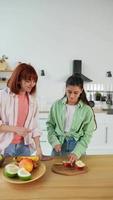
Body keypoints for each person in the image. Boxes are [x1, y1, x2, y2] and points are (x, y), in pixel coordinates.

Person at [47, 74, 96, 164]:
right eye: (69, 92)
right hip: (58, 145)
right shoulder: (56, 105)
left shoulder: (87, 110)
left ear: (81, 91)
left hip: (77, 146)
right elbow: (50, 125)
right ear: (65, 89)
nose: (72, 96)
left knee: (77, 176)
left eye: (76, 93)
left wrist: (77, 152)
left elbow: (87, 134)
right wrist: (54, 142)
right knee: (55, 174)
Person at [0, 63, 42, 157]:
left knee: (27, 171)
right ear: (18, 80)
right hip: (6, 146)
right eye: (28, 81)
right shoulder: (2, 96)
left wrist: (38, 148)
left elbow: (35, 127)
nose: (32, 84)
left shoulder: (33, 100)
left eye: (34, 81)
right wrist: (16, 129)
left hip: (25, 146)